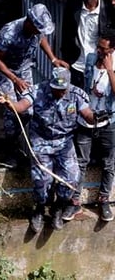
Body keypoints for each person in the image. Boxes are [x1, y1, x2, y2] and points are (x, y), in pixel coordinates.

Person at [0, 67, 95, 232]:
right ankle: (39, 208)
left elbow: (87, 113)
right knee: (42, 179)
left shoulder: (76, 94)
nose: (59, 92)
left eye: (62, 89)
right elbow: (22, 106)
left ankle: (58, 207)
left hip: (64, 142)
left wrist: (96, 117)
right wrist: (11, 104)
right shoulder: (37, 90)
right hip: (41, 140)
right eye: (56, 89)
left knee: (72, 178)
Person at [0, 4, 68, 164]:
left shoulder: (36, 31)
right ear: (29, 23)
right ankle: (10, 149)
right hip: (5, 71)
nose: (39, 32)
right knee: (12, 110)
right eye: (37, 28)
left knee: (29, 110)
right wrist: (14, 79)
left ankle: (13, 136)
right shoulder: (10, 33)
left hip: (23, 68)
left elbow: (42, 39)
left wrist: (53, 59)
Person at [63, 33, 115, 223]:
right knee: (80, 162)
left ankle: (104, 199)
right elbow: (83, 85)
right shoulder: (91, 58)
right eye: (98, 47)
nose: (99, 51)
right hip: (86, 120)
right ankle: (74, 201)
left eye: (104, 49)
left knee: (109, 163)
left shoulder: (113, 64)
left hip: (108, 121)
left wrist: (110, 70)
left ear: (112, 50)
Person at [61, 0, 108, 87]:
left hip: (96, 65)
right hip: (76, 64)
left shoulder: (106, 10)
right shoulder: (73, 7)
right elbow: (65, 34)